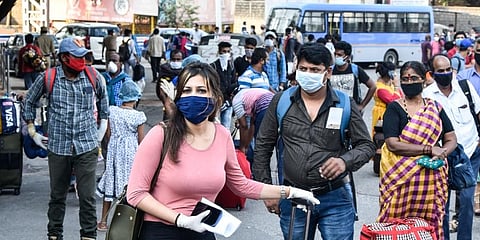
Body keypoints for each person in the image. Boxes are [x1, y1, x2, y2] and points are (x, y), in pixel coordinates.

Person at [125, 62, 319, 240]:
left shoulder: (222, 135)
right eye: (187, 90)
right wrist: (180, 220)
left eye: (201, 90)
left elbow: (241, 185)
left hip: (203, 231)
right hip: (161, 231)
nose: (194, 96)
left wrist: (290, 192)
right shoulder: (160, 134)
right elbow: (136, 193)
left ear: (216, 98)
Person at [253, 43, 376, 240]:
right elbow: (263, 146)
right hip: (293, 196)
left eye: (314, 70)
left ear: (328, 72)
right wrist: (267, 190)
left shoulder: (344, 104)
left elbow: (367, 146)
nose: (307, 74)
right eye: (303, 69)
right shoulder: (281, 101)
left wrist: (345, 161)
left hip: (335, 197)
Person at [23, 37, 109, 240]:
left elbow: (104, 102)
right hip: (58, 146)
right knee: (57, 196)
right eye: (76, 57)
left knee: (87, 197)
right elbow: (29, 102)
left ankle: (88, 235)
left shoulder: (94, 76)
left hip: (87, 146)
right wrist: (32, 131)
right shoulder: (48, 77)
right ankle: (54, 234)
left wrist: (102, 127)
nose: (82, 60)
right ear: (63, 58)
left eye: (83, 56)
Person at [378, 60, 457, 240]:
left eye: (414, 78)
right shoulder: (395, 107)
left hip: (431, 181)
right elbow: (392, 144)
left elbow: (451, 138)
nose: (409, 82)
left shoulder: (434, 108)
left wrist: (443, 152)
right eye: (405, 78)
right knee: (394, 226)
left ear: (423, 79)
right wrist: (429, 149)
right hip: (399, 180)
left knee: (429, 225)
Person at [423, 54, 480, 240]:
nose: (446, 73)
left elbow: (478, 112)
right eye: (441, 71)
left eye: (449, 69)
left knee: (467, 201)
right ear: (432, 73)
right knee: (442, 204)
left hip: (471, 152)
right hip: (443, 155)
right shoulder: (428, 96)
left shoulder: (464, 87)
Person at [96, 81, 146, 231]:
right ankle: (127, 222)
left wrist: (115, 143)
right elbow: (141, 140)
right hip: (131, 152)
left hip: (114, 150)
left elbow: (108, 133)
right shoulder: (139, 116)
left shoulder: (112, 111)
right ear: (136, 98)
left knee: (110, 182)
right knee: (129, 184)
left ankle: (103, 222)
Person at [330, 41, 377, 113]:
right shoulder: (330, 70)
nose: (336, 57)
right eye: (335, 54)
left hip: (352, 110)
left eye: (339, 55)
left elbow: (372, 86)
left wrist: (362, 105)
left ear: (347, 57)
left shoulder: (355, 69)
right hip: (334, 109)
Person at [232, 88, 274, 155]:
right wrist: (247, 146)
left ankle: (259, 163)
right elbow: (252, 124)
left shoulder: (236, 100)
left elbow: (244, 126)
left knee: (260, 142)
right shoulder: (249, 97)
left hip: (264, 105)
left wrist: (242, 148)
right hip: (274, 101)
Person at [210, 42, 238, 130]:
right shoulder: (213, 66)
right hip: (216, 103)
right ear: (219, 52)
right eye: (224, 51)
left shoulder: (231, 66)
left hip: (228, 103)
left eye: (228, 52)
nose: (226, 54)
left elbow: (234, 82)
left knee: (226, 128)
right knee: (215, 127)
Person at [371, 61, 402, 132]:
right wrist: (396, 86)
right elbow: (393, 100)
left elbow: (401, 97)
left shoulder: (390, 84)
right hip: (382, 115)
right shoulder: (380, 88)